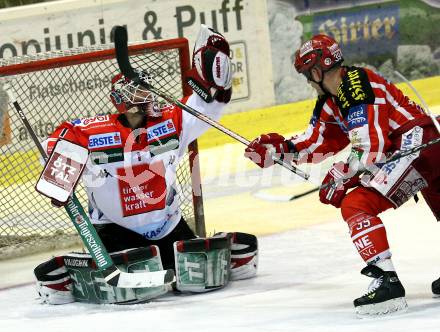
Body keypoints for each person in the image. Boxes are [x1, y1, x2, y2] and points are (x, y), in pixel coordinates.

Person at [34, 25, 258, 305]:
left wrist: (216, 79)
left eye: (146, 90)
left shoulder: (171, 121)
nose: (146, 96)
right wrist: (59, 177)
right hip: (114, 229)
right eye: (137, 92)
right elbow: (52, 145)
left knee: (194, 280)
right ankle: (79, 266)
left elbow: (208, 107)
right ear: (121, 100)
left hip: (167, 225)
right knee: (126, 286)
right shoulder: (90, 131)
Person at [244, 34, 440, 316]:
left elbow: (372, 148)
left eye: (307, 76)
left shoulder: (356, 87)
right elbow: (319, 142)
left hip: (418, 146)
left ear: (316, 71)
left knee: (356, 204)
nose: (309, 83)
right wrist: (279, 150)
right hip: (431, 143)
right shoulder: (332, 100)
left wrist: (340, 176)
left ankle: (388, 284)